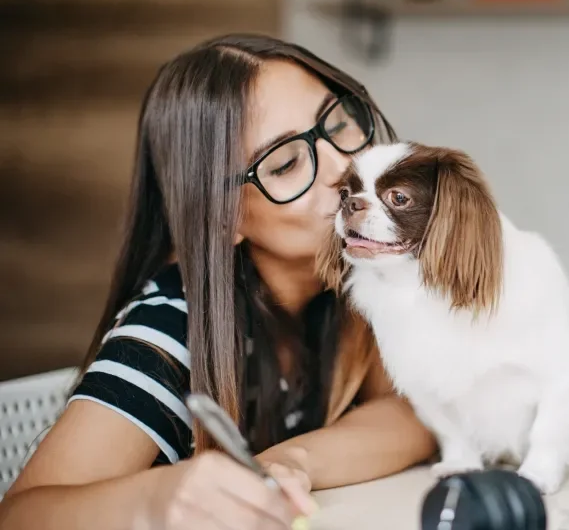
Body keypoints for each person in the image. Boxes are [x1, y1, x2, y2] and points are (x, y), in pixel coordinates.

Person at [0, 34, 437, 530]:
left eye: (340, 124)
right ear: (222, 215)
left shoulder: (355, 280)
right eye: (286, 164)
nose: (345, 169)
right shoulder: (169, 332)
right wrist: (155, 501)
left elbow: (414, 410)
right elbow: (19, 516)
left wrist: (293, 462)